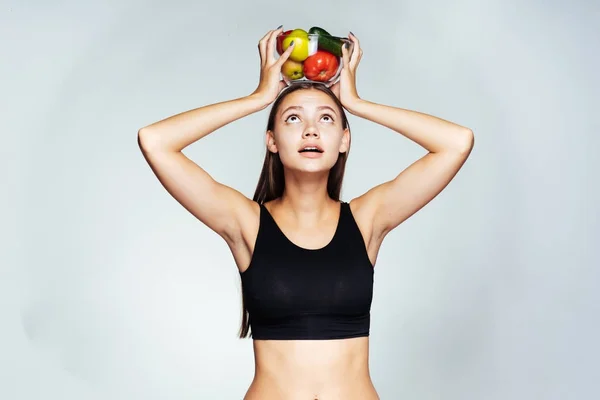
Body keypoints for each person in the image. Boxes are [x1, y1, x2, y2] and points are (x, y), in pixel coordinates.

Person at [137, 26, 474, 400]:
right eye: (293, 119)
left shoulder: (367, 221)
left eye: (327, 119)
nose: (311, 130)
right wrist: (259, 98)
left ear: (344, 139)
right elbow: (155, 141)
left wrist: (357, 104)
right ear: (272, 141)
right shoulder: (246, 224)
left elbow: (456, 143)